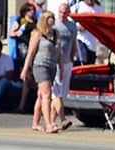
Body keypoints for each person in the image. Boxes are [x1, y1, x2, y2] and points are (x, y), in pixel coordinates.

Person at [21, 11, 64, 133]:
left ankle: (35, 123)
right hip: (40, 65)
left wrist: (61, 69)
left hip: (52, 66)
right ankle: (49, 124)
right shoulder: (37, 33)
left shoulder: (57, 34)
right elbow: (30, 53)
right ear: (44, 20)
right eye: (49, 18)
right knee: (47, 95)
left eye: (53, 17)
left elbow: (60, 53)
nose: (52, 20)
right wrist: (25, 69)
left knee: (41, 96)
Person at [51, 1, 77, 130]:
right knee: (57, 93)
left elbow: (73, 43)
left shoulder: (72, 26)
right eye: (60, 12)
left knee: (62, 93)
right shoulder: (54, 25)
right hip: (55, 62)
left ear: (68, 13)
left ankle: (52, 122)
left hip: (67, 62)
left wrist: (71, 59)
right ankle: (63, 119)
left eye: (65, 12)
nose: (62, 14)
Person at [9, 3, 36, 112]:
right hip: (23, 49)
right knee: (25, 72)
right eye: (30, 10)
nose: (32, 12)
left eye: (33, 10)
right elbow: (11, 33)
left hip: (33, 49)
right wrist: (18, 33)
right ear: (25, 11)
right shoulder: (20, 21)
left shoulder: (35, 22)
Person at [71, 0, 101, 65]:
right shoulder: (77, 7)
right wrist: (78, 27)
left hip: (93, 44)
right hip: (81, 40)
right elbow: (69, 22)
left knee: (90, 64)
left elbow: (101, 24)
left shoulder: (98, 8)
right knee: (82, 63)